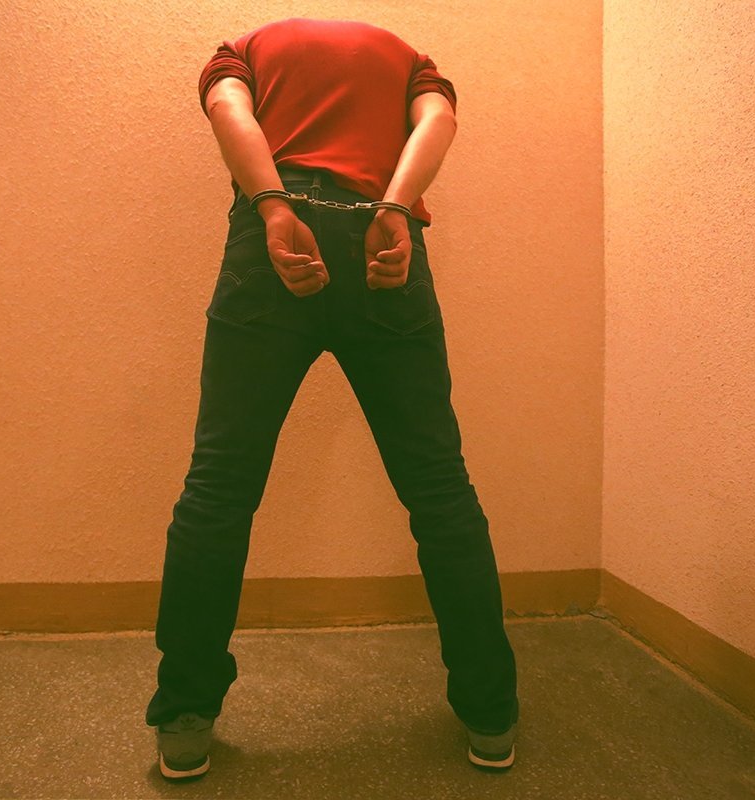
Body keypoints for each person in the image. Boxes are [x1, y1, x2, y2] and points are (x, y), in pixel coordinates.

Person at [145, 17, 520, 781]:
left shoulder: (244, 49)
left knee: (219, 487)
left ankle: (185, 714)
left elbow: (227, 108)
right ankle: (490, 711)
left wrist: (273, 205)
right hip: (382, 239)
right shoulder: (407, 58)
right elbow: (439, 120)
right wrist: (396, 207)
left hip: (272, 242)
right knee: (439, 487)